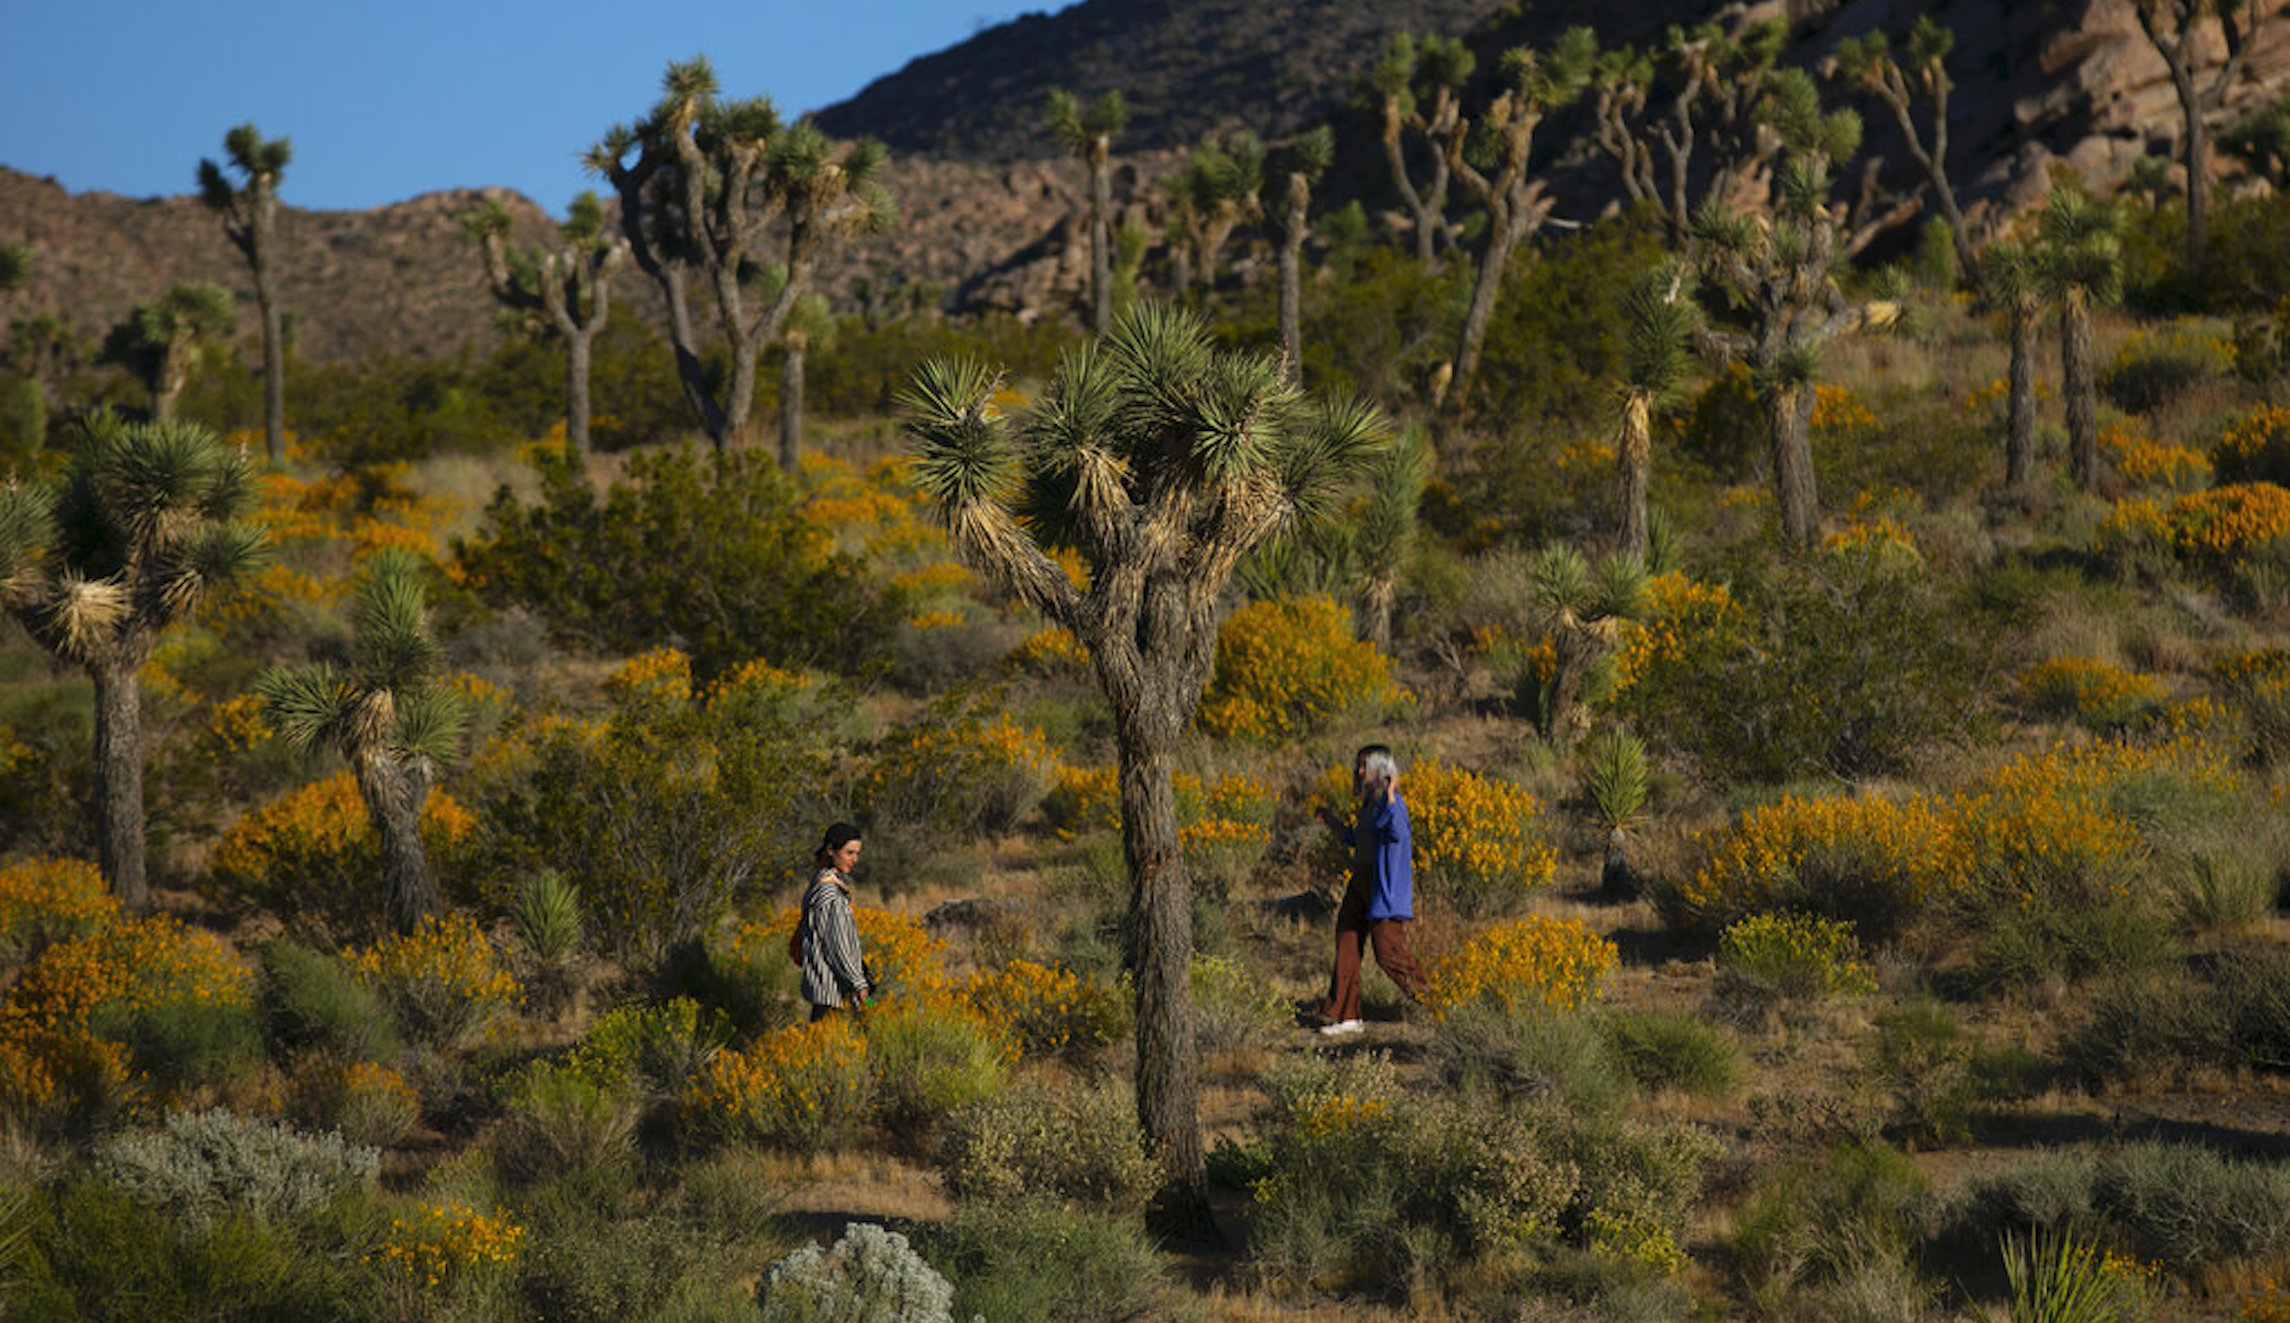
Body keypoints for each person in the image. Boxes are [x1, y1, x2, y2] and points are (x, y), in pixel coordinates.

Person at [1313, 744, 1424, 1035]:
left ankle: (1437, 1002)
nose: (1358, 771)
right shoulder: (1370, 806)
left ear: (1381, 770)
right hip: (1360, 883)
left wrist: (1390, 796)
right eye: (1358, 765)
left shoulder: (1393, 803)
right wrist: (1333, 822)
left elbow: (1398, 832)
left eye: (1365, 765)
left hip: (1382, 887)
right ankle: (1346, 1016)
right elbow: (1357, 839)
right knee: (1347, 942)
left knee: (1389, 954)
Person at [799, 822, 871, 1021]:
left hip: (825, 990)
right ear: (831, 850)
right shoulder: (830, 893)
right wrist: (860, 984)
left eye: (857, 854)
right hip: (835, 994)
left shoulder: (818, 882)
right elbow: (838, 946)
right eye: (849, 853)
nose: (855, 859)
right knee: (836, 1045)